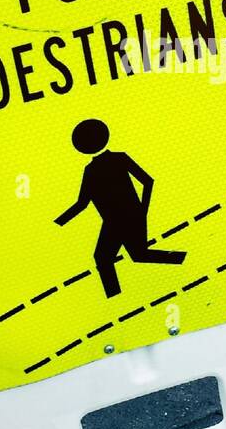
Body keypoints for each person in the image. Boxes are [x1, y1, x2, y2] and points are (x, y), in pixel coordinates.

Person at [55, 118, 186, 298]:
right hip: (113, 223)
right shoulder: (92, 169)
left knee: (131, 256)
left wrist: (143, 210)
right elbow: (83, 203)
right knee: (111, 257)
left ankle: (183, 259)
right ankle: (115, 296)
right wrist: (58, 223)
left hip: (129, 217)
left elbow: (147, 181)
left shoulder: (116, 159)